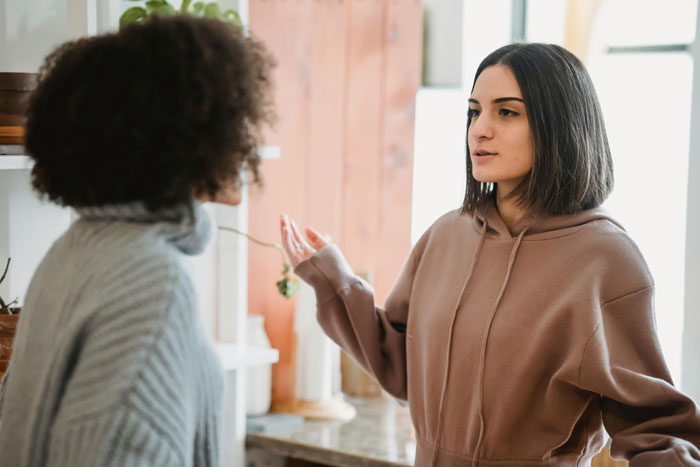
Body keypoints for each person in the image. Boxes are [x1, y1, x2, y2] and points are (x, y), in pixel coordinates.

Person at [280, 43, 700, 466]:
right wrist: (333, 277)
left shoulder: (605, 260)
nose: (480, 129)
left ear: (560, 125)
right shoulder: (445, 235)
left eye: (507, 112)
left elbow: (656, 429)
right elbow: (401, 365)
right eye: (474, 111)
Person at [0, 15, 274, 467]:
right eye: (232, 118)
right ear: (179, 134)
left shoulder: (73, 248)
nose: (246, 140)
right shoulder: (153, 282)